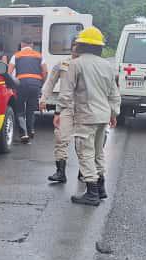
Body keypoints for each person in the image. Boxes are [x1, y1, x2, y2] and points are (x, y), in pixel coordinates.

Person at [58, 27, 121, 206]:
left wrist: (63, 111)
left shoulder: (75, 64)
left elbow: (66, 94)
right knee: (98, 153)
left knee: (85, 153)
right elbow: (114, 93)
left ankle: (92, 193)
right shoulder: (107, 66)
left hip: (86, 116)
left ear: (81, 45)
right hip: (103, 115)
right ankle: (101, 188)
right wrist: (114, 113)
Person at [39, 43, 78, 182]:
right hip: (66, 107)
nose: (76, 51)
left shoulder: (88, 65)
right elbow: (50, 82)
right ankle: (60, 172)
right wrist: (44, 99)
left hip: (85, 108)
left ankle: (84, 173)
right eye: (75, 48)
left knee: (82, 142)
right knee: (61, 138)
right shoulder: (62, 64)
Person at [8, 40, 48, 143]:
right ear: (32, 45)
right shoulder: (39, 56)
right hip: (35, 85)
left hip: (21, 85)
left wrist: (11, 86)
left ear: (21, 45)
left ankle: (23, 134)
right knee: (31, 110)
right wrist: (41, 83)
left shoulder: (16, 56)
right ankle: (31, 131)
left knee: (20, 110)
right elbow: (45, 71)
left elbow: (9, 72)